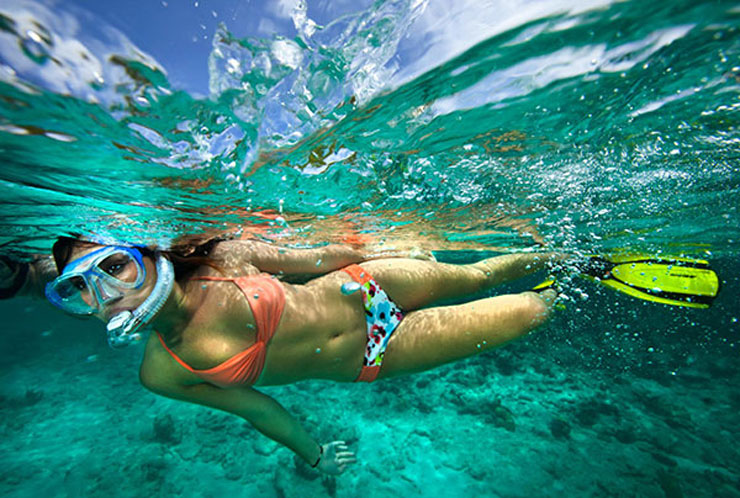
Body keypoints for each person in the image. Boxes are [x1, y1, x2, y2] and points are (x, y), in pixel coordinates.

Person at [45, 236, 559, 475]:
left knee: (478, 275)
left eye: (115, 265)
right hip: (374, 355)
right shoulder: (161, 371)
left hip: (366, 285)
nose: (107, 290)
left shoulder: (221, 258)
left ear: (146, 254)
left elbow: (315, 257)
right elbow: (257, 407)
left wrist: (390, 244)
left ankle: (571, 257)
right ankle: (562, 287)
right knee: (531, 311)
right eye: (79, 288)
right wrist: (312, 454)